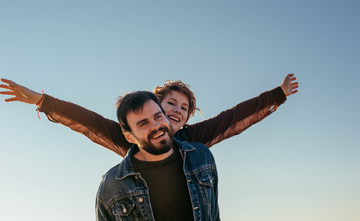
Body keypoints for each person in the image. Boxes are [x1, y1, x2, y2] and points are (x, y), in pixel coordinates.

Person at [0, 74, 298, 156]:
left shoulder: (195, 140)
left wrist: (277, 95)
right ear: (156, 105)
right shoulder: (130, 141)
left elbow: (233, 118)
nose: (178, 111)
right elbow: (88, 122)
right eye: (171, 104)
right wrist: (42, 100)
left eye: (184, 108)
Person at [96, 91, 219, 221]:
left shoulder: (201, 157)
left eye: (158, 117)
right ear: (129, 137)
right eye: (143, 124)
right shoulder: (112, 185)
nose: (156, 126)